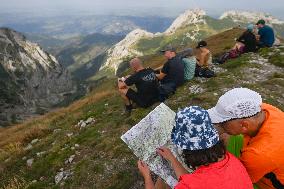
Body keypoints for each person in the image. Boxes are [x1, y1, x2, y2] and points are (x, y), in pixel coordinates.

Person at [138, 106, 253, 189]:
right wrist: (172, 159)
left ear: (188, 151)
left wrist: (147, 177)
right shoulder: (231, 160)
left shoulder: (188, 186)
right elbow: (194, 181)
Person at [208, 88, 284, 189]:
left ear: (244, 125)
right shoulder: (264, 110)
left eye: (223, 123)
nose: (219, 125)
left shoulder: (259, 155)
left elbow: (238, 181)